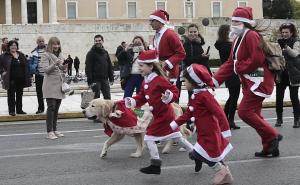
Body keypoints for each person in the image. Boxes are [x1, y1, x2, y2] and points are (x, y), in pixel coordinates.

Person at [213, 7, 282, 157]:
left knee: (244, 112)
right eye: (232, 21)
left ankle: (273, 135)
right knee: (256, 115)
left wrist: (238, 67)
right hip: (249, 81)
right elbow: (230, 62)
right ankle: (270, 147)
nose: (233, 23)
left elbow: (256, 59)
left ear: (244, 23)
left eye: (236, 21)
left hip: (259, 81)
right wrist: (214, 80)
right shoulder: (238, 38)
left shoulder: (251, 35)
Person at [124, 50, 194, 175]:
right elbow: (141, 97)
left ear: (151, 66)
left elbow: (174, 91)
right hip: (159, 115)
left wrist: (168, 97)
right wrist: (132, 101)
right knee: (177, 136)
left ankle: (155, 164)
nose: (139, 68)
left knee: (149, 137)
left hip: (165, 115)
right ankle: (196, 154)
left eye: (141, 66)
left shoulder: (159, 80)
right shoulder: (146, 80)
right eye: (138, 65)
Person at [170, 64, 233, 185]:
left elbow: (220, 113)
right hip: (203, 133)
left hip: (210, 132)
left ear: (194, 81)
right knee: (213, 155)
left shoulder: (204, 96)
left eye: (186, 81)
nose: (184, 83)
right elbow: (189, 113)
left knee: (202, 154)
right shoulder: (196, 95)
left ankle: (221, 171)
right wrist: (175, 123)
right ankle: (225, 173)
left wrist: (225, 131)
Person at [215, 25, 241, 130]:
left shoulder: (223, 44)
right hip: (231, 72)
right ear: (226, 33)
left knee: (232, 96)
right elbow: (235, 57)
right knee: (234, 97)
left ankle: (226, 119)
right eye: (230, 31)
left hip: (229, 72)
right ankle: (230, 120)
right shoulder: (227, 45)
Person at [149, 9, 186, 84]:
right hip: (160, 71)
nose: (150, 23)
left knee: (171, 95)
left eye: (152, 21)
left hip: (170, 72)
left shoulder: (170, 34)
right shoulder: (156, 35)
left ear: (159, 21)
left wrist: (166, 63)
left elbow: (181, 53)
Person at [40, 37, 66, 139]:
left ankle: (55, 129)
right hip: (49, 85)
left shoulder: (60, 54)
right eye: (54, 44)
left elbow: (62, 69)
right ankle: (49, 131)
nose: (56, 46)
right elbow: (45, 70)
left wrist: (65, 66)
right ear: (50, 45)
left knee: (56, 109)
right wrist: (55, 63)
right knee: (51, 108)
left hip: (59, 85)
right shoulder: (45, 55)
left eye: (58, 44)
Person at [275, 23, 300, 128]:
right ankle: (279, 119)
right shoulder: (279, 42)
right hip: (281, 73)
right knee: (279, 97)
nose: (284, 34)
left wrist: (285, 46)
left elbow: (295, 54)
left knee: (294, 97)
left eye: (286, 32)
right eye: (283, 32)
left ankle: (297, 120)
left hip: (293, 74)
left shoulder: (296, 42)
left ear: (291, 33)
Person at [0, 40, 31, 116]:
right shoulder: (5, 55)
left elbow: (26, 65)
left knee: (19, 95)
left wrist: (28, 75)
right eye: (12, 45)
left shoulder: (21, 54)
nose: (14, 47)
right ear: (9, 47)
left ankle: (19, 110)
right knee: (11, 95)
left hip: (21, 78)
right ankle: (11, 110)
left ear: (17, 47)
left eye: (15, 45)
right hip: (11, 79)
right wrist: (2, 72)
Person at [85, 34, 114, 99]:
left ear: (102, 41)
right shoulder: (90, 53)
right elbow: (88, 68)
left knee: (108, 98)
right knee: (96, 99)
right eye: (96, 41)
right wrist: (90, 81)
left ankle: (107, 109)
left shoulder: (105, 52)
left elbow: (109, 66)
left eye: (99, 40)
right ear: (94, 42)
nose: (98, 42)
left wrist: (111, 78)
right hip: (95, 80)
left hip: (105, 79)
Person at [30, 36, 46, 114]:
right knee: (39, 92)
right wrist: (32, 72)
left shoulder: (49, 50)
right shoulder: (34, 52)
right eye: (40, 41)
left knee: (49, 92)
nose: (41, 42)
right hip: (38, 75)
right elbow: (31, 63)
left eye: (42, 41)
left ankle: (51, 108)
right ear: (37, 42)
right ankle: (41, 108)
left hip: (48, 75)